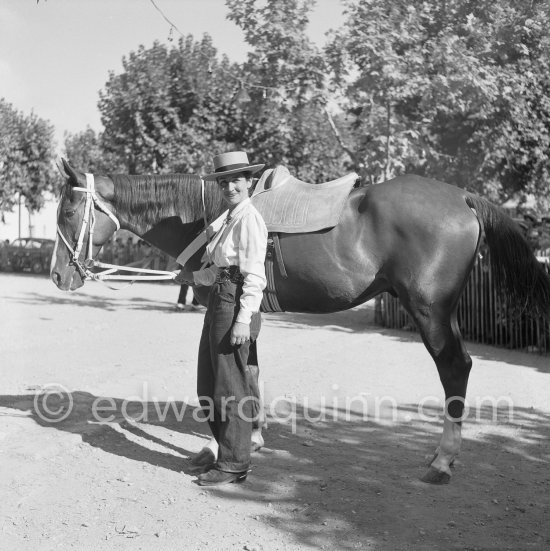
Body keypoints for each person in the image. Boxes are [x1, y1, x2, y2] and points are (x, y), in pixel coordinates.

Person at [176, 151, 267, 486]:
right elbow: (219, 267)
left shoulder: (249, 219)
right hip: (219, 299)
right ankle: (222, 451)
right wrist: (195, 278)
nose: (230, 186)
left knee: (231, 386)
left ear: (249, 182)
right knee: (209, 383)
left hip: (234, 305)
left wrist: (244, 319)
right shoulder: (229, 218)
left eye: (236, 180)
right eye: (224, 181)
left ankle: (234, 464)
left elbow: (254, 274)